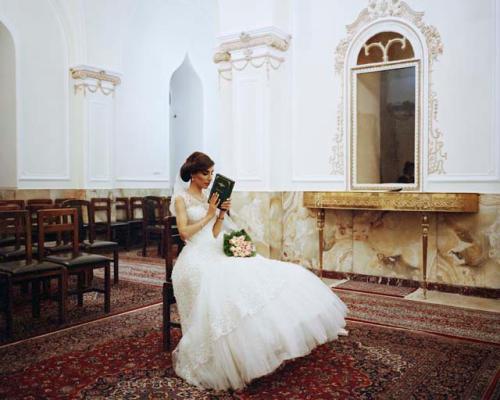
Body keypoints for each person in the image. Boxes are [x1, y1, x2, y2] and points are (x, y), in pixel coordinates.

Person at [170, 151, 348, 391]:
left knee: (257, 273)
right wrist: (210, 215)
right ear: (192, 174)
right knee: (225, 282)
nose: (210, 178)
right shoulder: (181, 198)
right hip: (193, 259)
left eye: (212, 173)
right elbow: (184, 233)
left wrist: (220, 215)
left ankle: (259, 344)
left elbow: (213, 234)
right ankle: (224, 353)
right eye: (205, 173)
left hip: (213, 249)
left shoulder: (207, 197)